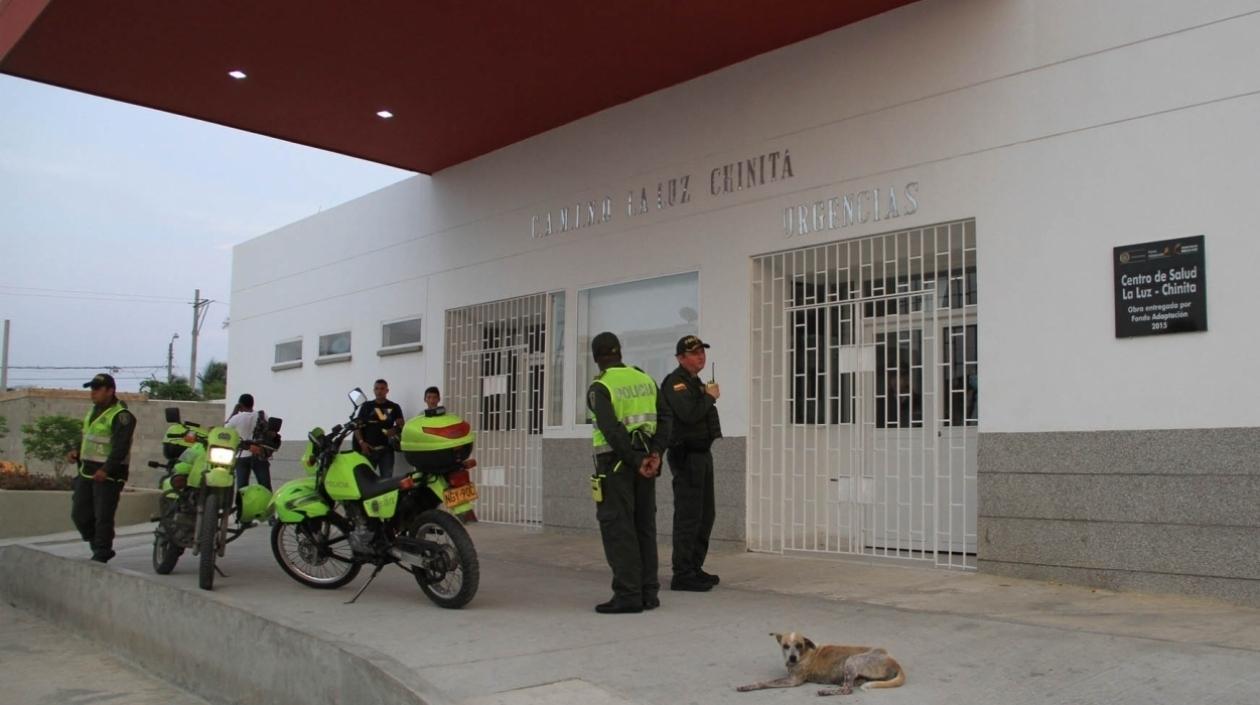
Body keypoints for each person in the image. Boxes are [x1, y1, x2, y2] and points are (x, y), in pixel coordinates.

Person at [587, 331, 671, 614]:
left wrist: (636, 461)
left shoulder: (601, 387)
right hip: (647, 462)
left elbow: (611, 431)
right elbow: (665, 419)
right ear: (620, 352)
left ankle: (627, 594)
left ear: (596, 358)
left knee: (618, 528)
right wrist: (655, 455)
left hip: (618, 465)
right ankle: (649, 592)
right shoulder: (645, 379)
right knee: (643, 527)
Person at [660, 334, 723, 592]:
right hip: (686, 456)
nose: (701, 357)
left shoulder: (695, 383)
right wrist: (709, 397)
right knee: (688, 516)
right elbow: (688, 415)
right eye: (695, 353)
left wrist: (706, 395)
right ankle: (682, 573)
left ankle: (694, 567)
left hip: (702, 454)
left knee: (705, 514)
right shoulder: (676, 384)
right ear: (680, 358)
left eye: (702, 352)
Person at [65, 373, 136, 563]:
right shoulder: (93, 411)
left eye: (97, 389)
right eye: (92, 389)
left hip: (108, 475)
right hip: (87, 471)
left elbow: (121, 447)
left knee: (103, 515)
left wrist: (106, 469)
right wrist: (76, 452)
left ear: (110, 391)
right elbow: (88, 437)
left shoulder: (122, 416)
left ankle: (102, 550)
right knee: (79, 514)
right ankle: (96, 544)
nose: (93, 393)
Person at [354, 379, 405, 477]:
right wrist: (361, 443)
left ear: (387, 391)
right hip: (368, 449)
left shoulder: (394, 407)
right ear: (373, 390)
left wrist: (395, 429)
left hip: (386, 451)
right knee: (365, 479)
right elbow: (357, 426)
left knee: (386, 481)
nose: (379, 391)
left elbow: (401, 426)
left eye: (382, 389)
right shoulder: (367, 406)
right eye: (376, 389)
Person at [225, 393, 272, 492]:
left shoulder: (236, 418)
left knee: (242, 487)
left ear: (240, 405)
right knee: (265, 485)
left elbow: (225, 430)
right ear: (253, 404)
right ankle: (267, 505)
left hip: (242, 456)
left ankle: (242, 506)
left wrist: (234, 412)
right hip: (259, 454)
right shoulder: (262, 415)